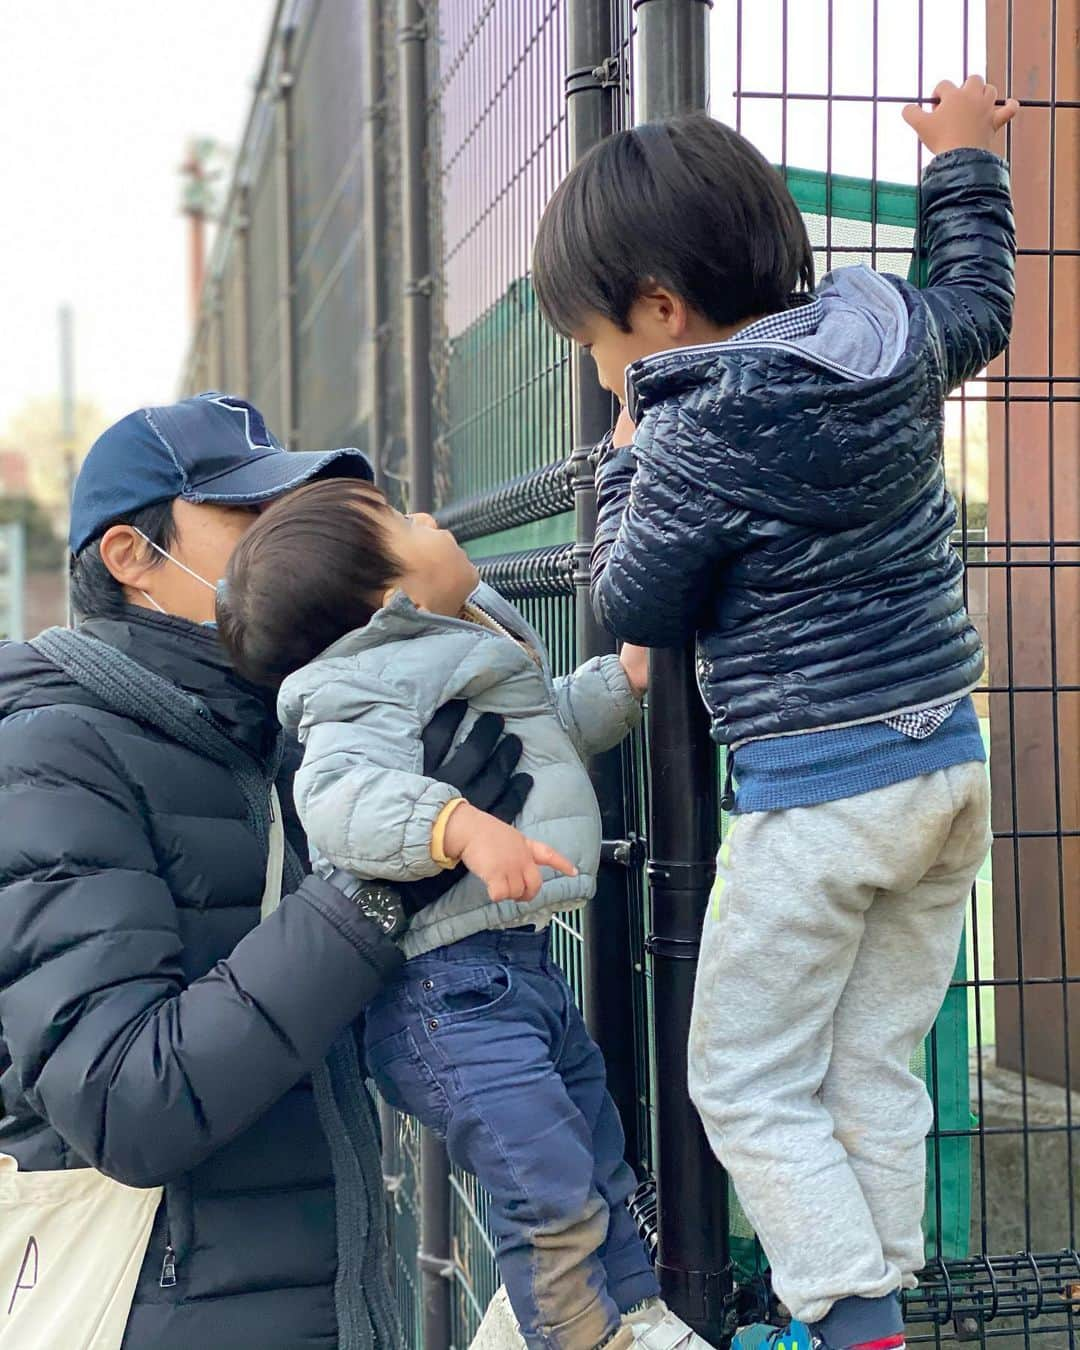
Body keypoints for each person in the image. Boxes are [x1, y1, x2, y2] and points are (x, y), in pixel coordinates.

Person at [531, 77, 1017, 1350]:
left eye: (597, 345)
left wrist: (630, 450)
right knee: (868, 1062)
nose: (604, 373)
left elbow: (633, 600)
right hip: (947, 768)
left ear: (658, 310)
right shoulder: (893, 336)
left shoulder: (698, 427)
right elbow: (980, 300)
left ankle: (852, 1322)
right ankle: (879, 1308)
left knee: (743, 1077)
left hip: (822, 790)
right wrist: (962, 164)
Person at [0, 392, 534, 1350]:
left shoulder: (277, 725)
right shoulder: (48, 756)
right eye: (251, 517)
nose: (293, 538)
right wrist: (374, 890)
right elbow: (127, 1101)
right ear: (132, 560)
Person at [216, 478, 713, 1350]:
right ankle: (579, 1333)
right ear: (393, 598)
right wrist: (456, 824)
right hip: (440, 997)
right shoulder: (358, 682)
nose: (431, 521)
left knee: (593, 1145)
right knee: (544, 1171)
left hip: (510, 975)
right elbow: (336, 799)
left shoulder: (453, 645)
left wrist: (620, 682)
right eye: (406, 525)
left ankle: (634, 1307)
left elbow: (536, 737)